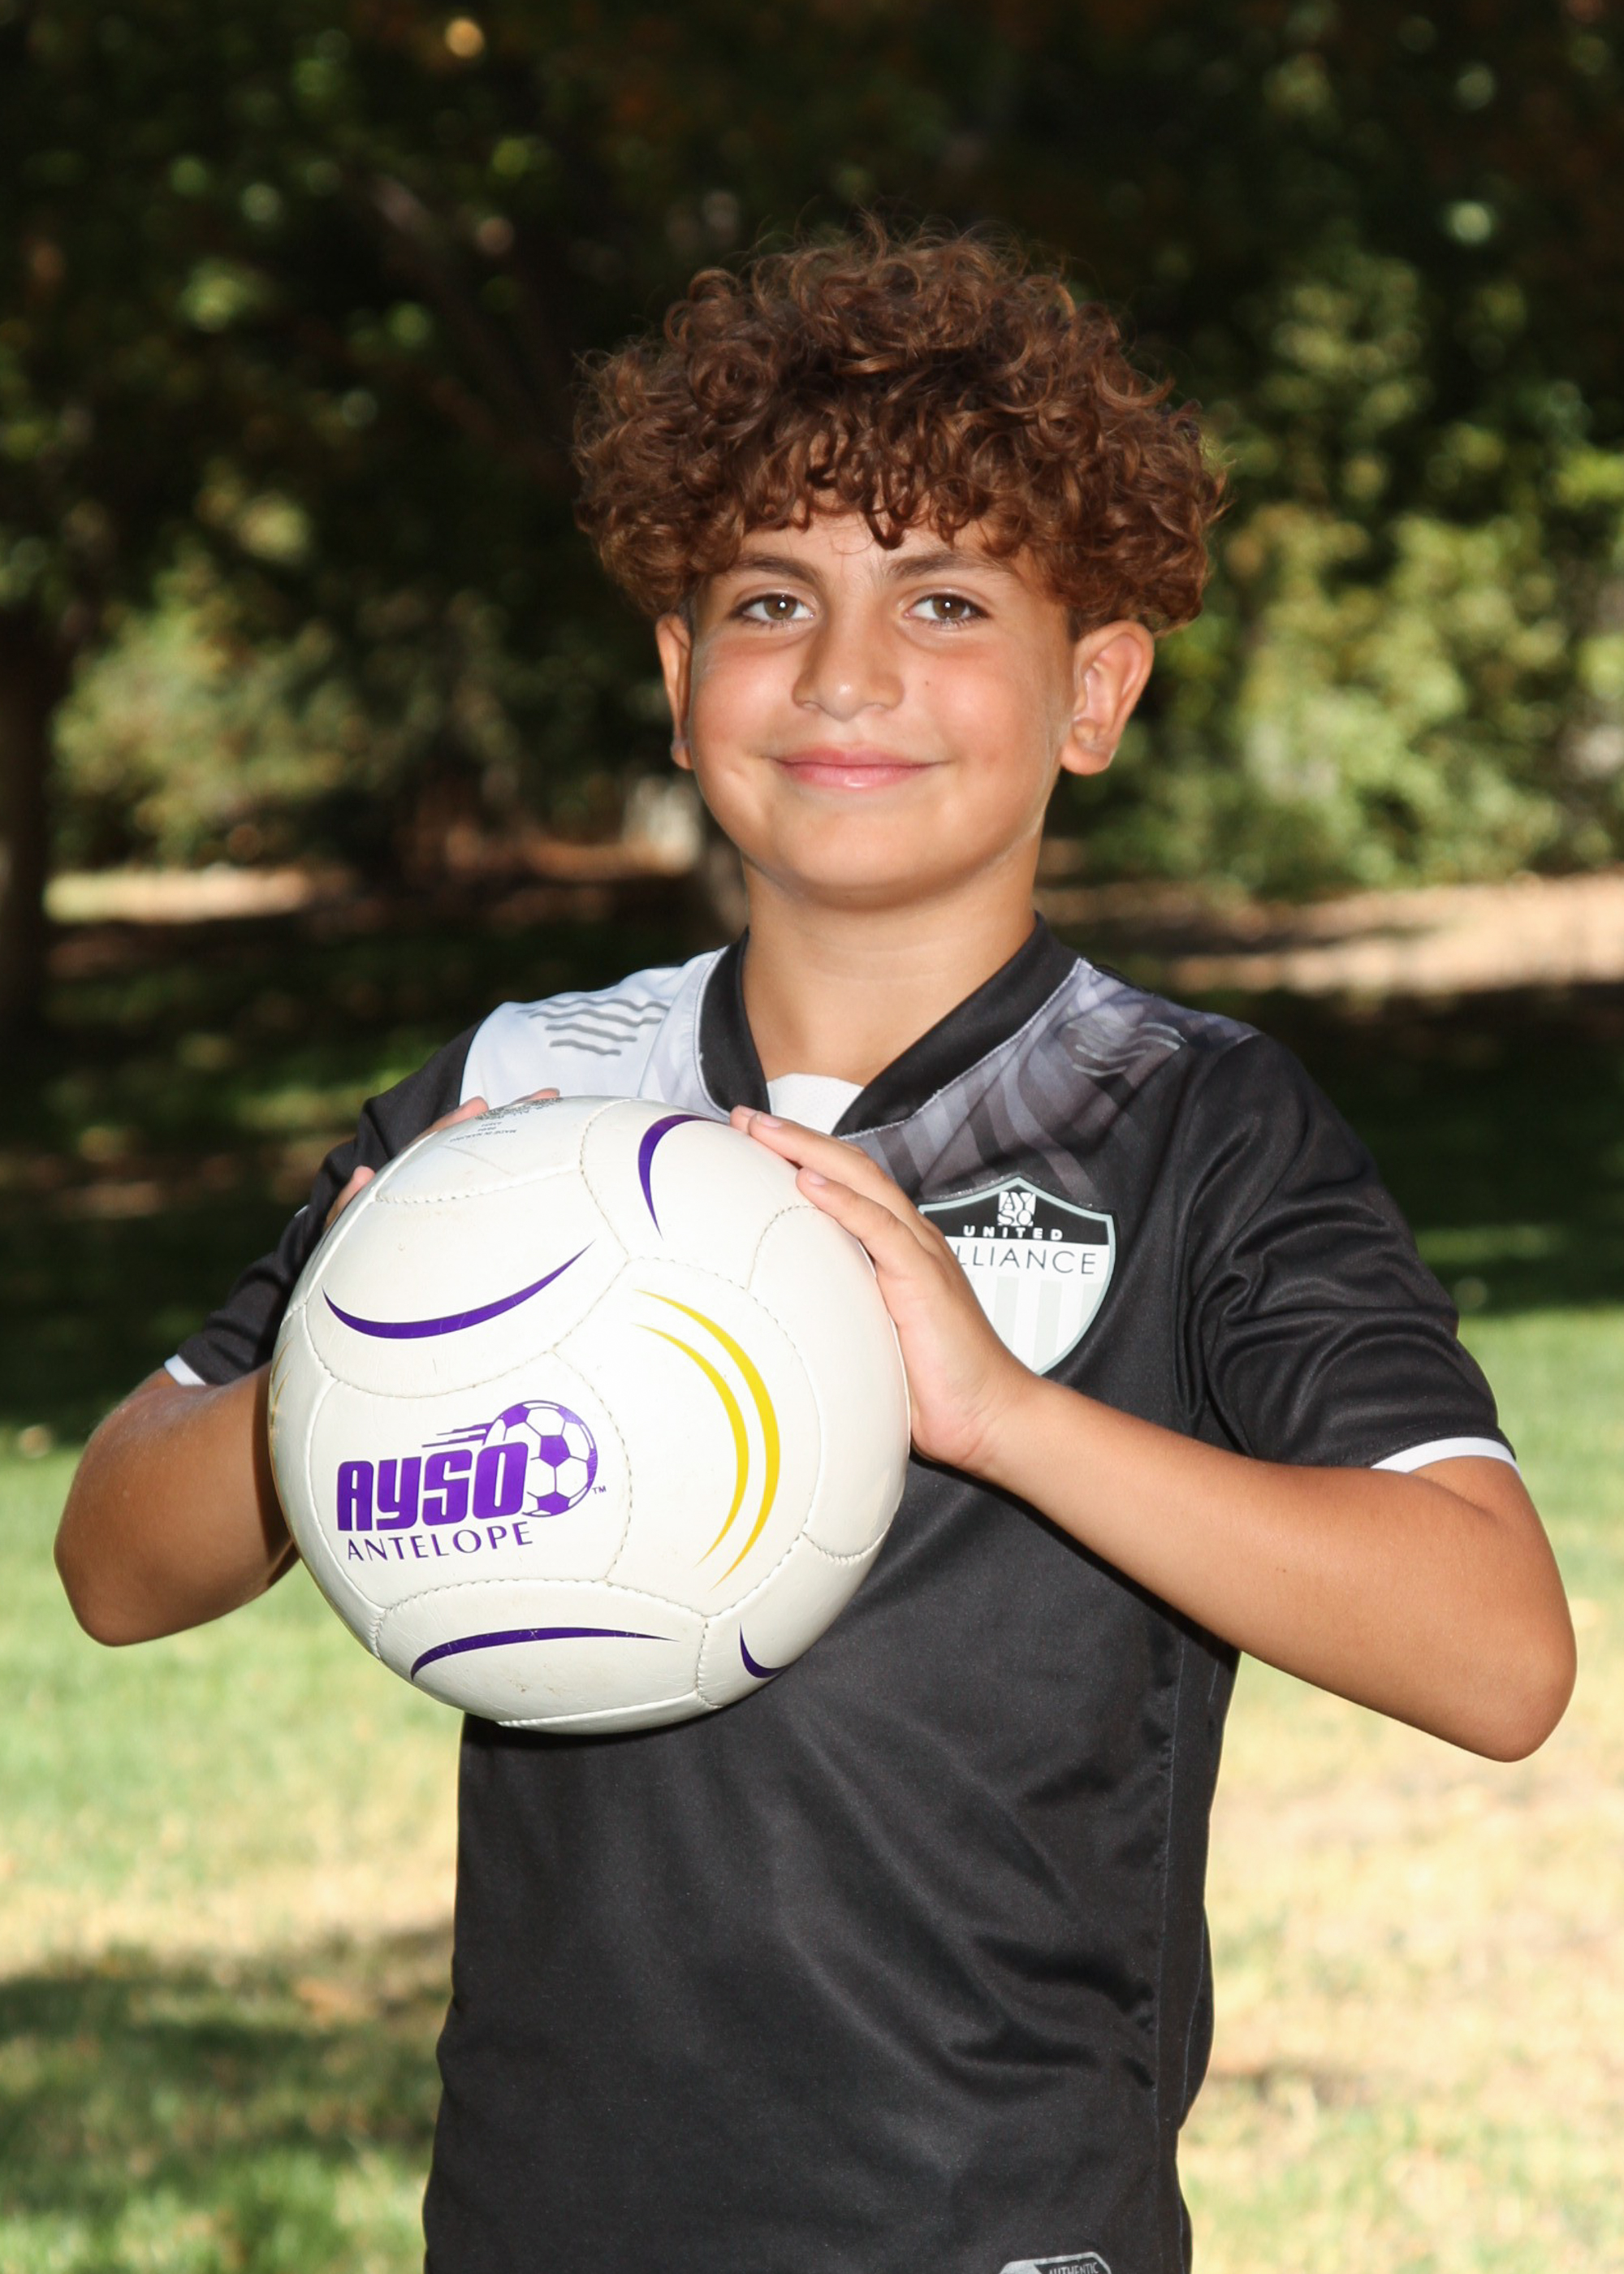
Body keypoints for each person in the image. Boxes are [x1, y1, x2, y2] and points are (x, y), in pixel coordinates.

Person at [55, 226, 1575, 2274]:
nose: (846, 674)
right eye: (771, 600)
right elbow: (115, 1563)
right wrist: (351, 1351)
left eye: (943, 600)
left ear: (1094, 689)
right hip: (539, 2220)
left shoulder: (1190, 1117)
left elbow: (1496, 1651)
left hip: (992, 2221)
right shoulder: (517, 1099)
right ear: (681, 682)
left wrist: (1006, 1415)